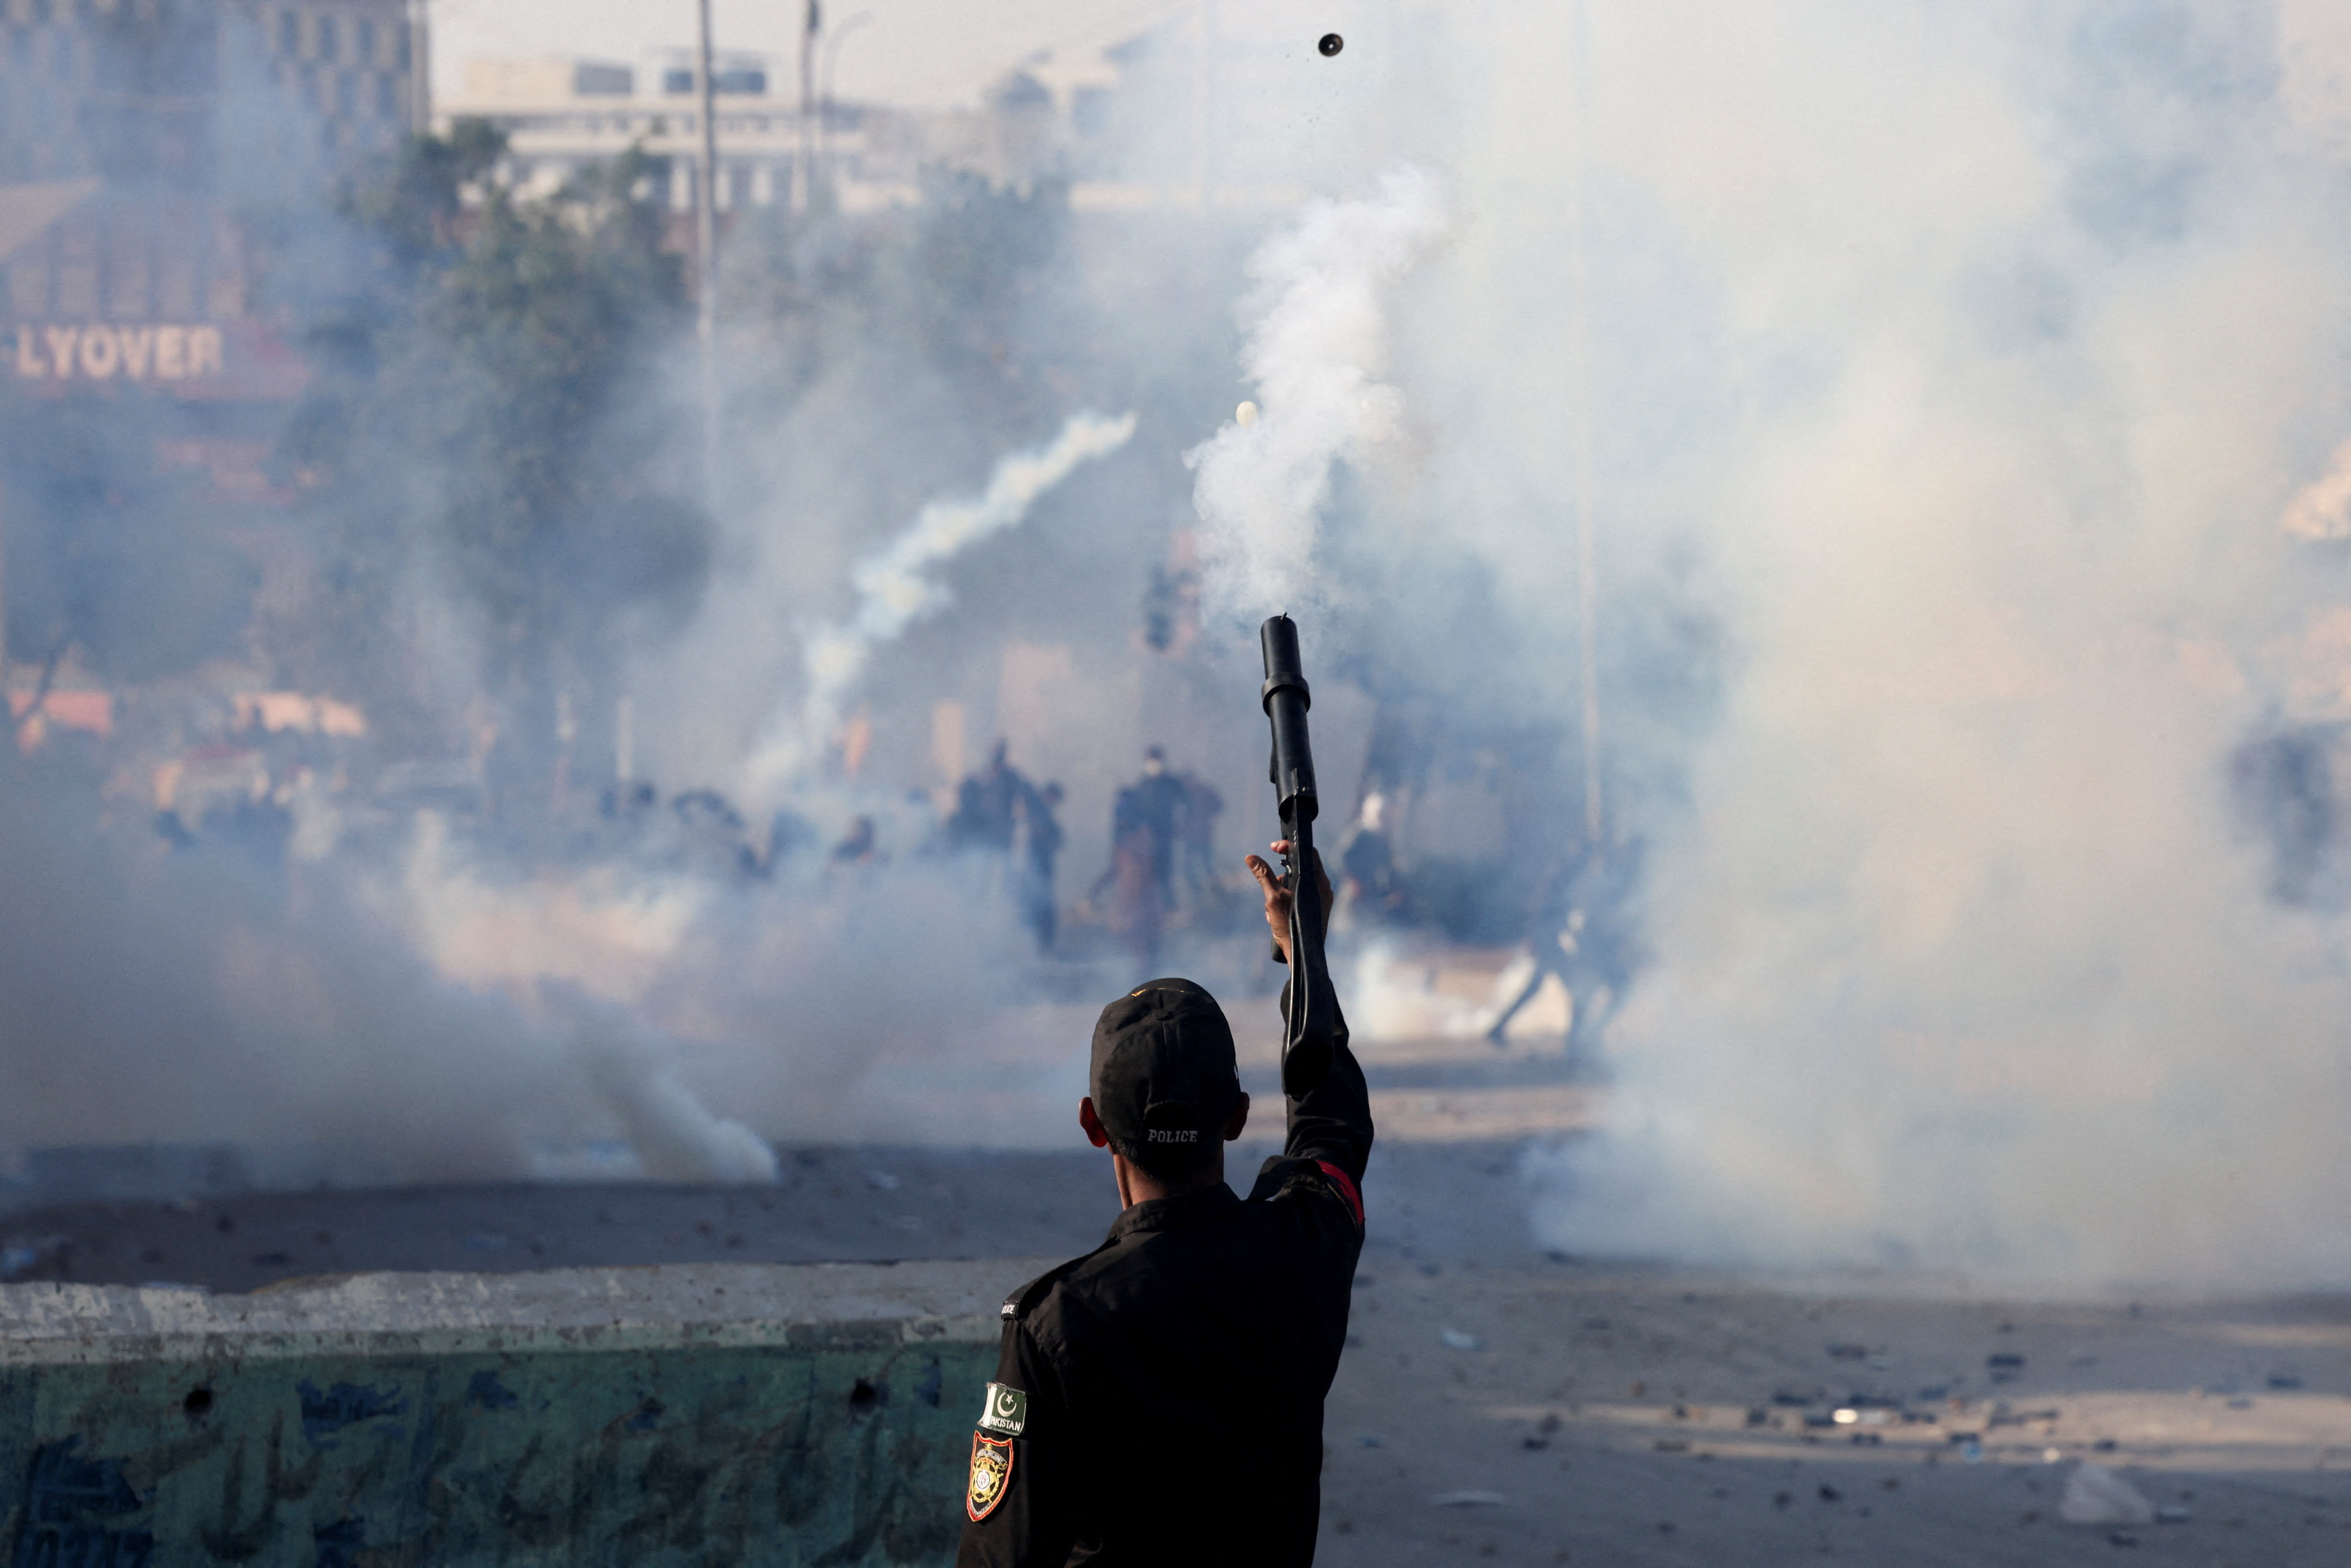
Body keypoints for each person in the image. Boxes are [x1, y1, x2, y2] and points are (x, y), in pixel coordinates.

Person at [957, 843, 1369, 1568]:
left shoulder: (1058, 1322)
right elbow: (1332, 1125)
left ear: (1093, 1123)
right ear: (1237, 1115)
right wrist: (1303, 948)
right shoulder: (1306, 1247)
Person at [1013, 780, 1065, 952]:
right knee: (1036, 907)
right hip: (1032, 867)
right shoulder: (1035, 812)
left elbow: (1058, 841)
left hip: (1040, 868)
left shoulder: (1045, 816)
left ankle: (1041, 948)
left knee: (1040, 908)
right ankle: (1036, 947)